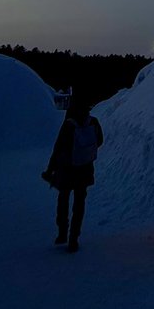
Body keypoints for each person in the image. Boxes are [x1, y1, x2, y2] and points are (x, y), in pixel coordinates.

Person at [42, 93, 104, 253]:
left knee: (63, 199)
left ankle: (62, 232)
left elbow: (58, 148)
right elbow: (100, 141)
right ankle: (74, 238)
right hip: (84, 169)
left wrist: (50, 169)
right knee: (79, 204)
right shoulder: (93, 122)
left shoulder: (69, 125)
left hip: (67, 170)